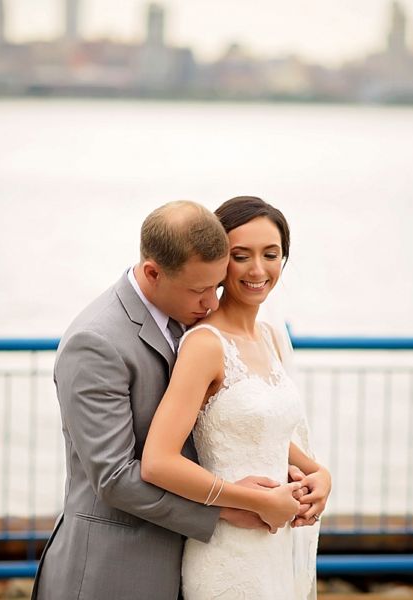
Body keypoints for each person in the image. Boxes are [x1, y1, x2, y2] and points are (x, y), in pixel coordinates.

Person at [32, 201, 292, 600]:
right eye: (199, 289)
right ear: (153, 272)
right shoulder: (95, 342)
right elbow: (114, 476)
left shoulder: (194, 323)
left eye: (217, 286)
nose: (211, 303)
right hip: (113, 572)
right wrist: (224, 507)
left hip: (192, 565)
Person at [142, 196, 331, 600]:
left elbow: (269, 431)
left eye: (271, 254)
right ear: (219, 260)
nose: (258, 270)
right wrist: (253, 501)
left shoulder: (273, 338)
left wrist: (319, 475)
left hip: (275, 546)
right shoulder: (204, 345)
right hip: (227, 550)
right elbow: (158, 462)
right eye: (241, 255)